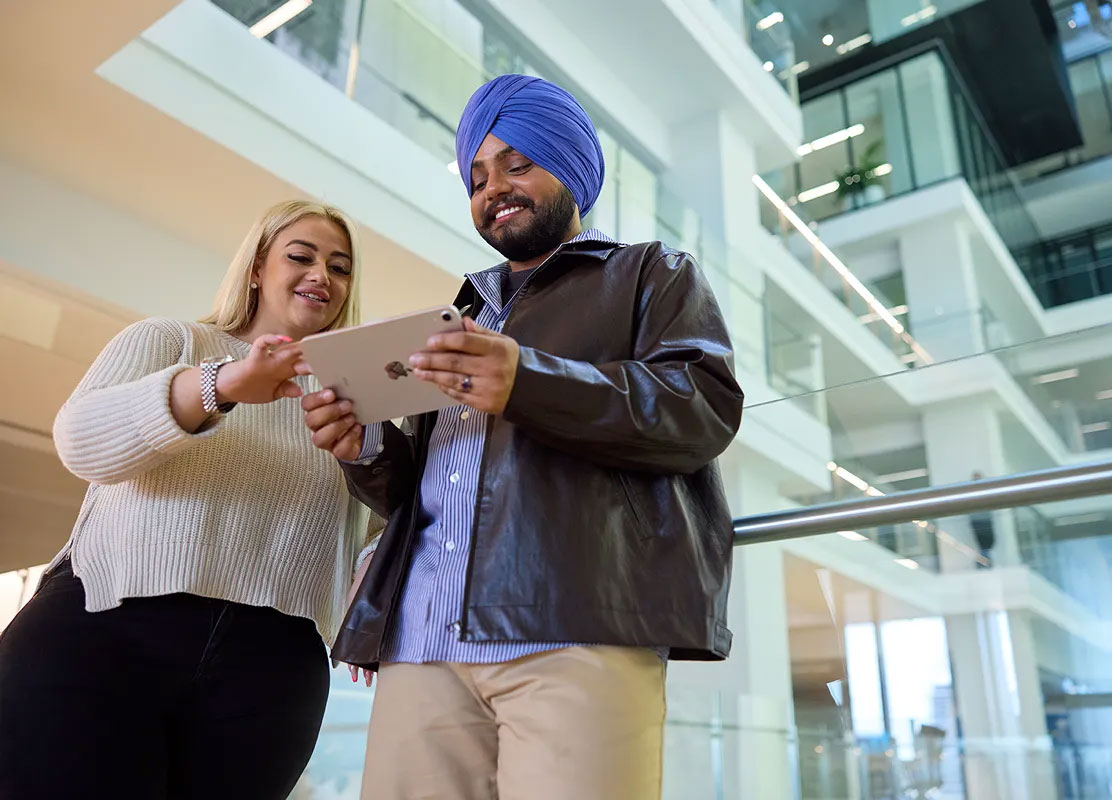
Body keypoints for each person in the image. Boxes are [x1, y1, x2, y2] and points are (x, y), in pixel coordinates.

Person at [302, 74, 744, 800]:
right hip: (421, 643)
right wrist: (364, 448)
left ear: (569, 167)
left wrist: (528, 382)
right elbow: (422, 488)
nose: (492, 190)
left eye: (516, 165)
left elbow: (702, 410)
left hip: (575, 629)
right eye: (476, 177)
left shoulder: (651, 275)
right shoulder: (460, 311)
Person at [0, 200, 374, 798]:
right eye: (301, 257)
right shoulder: (172, 339)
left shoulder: (357, 392)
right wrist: (220, 385)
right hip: (108, 630)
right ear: (256, 267)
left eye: (340, 266)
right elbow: (81, 443)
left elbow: (398, 521)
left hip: (272, 668)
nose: (321, 277)